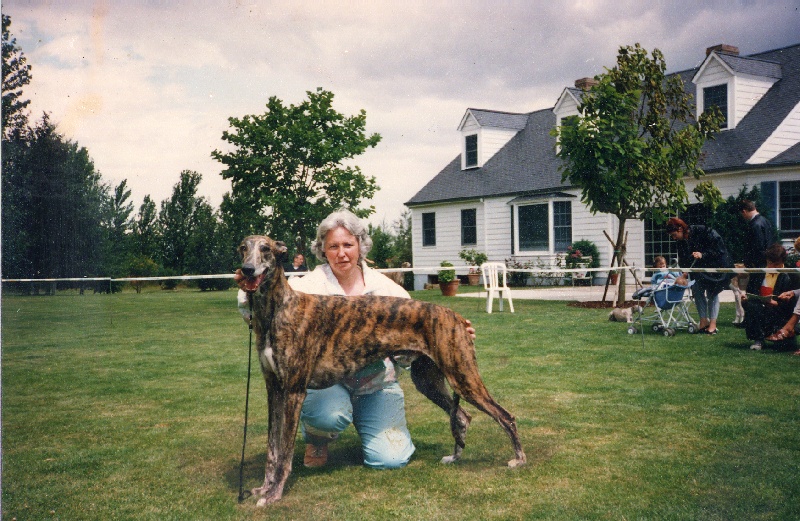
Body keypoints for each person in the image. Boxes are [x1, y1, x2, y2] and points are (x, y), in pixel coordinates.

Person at [237, 209, 474, 470]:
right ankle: (318, 439)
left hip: (376, 386)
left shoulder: (389, 290)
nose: (341, 253)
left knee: (390, 459)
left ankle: (373, 424)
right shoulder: (306, 286)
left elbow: (409, 350)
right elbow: (263, 315)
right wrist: (249, 291)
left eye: (348, 245)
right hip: (328, 387)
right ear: (322, 250)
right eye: (333, 246)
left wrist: (451, 337)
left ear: (360, 246)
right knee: (328, 416)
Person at [666, 217, 733, 335]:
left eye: (674, 235)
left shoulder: (702, 231)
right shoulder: (680, 242)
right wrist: (684, 273)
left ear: (680, 229)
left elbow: (719, 250)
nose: (674, 238)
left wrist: (703, 254)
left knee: (712, 293)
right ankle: (703, 321)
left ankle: (713, 325)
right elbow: (684, 260)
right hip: (699, 269)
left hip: (715, 266)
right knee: (697, 290)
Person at [742, 243, 800, 350]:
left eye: (776, 264)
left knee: (784, 347)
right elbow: (750, 292)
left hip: (782, 314)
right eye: (769, 263)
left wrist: (777, 303)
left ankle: (784, 334)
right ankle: (758, 339)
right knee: (752, 305)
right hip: (761, 309)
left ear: (783, 261)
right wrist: (745, 300)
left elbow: (796, 304)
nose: (772, 267)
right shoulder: (758, 273)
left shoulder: (793, 275)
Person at [737, 199, 774, 295]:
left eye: (742, 214)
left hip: (758, 265)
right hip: (766, 262)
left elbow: (758, 247)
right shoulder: (765, 221)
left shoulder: (755, 225)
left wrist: (751, 262)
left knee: (752, 293)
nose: (743, 217)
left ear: (744, 211)